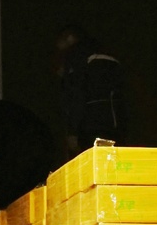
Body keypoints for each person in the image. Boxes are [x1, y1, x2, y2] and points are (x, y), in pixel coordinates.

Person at [54, 26, 126, 156]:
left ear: (69, 38)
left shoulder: (76, 56)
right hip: (115, 124)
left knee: (89, 162)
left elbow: (76, 94)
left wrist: (72, 132)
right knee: (111, 161)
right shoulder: (109, 56)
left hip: (89, 125)